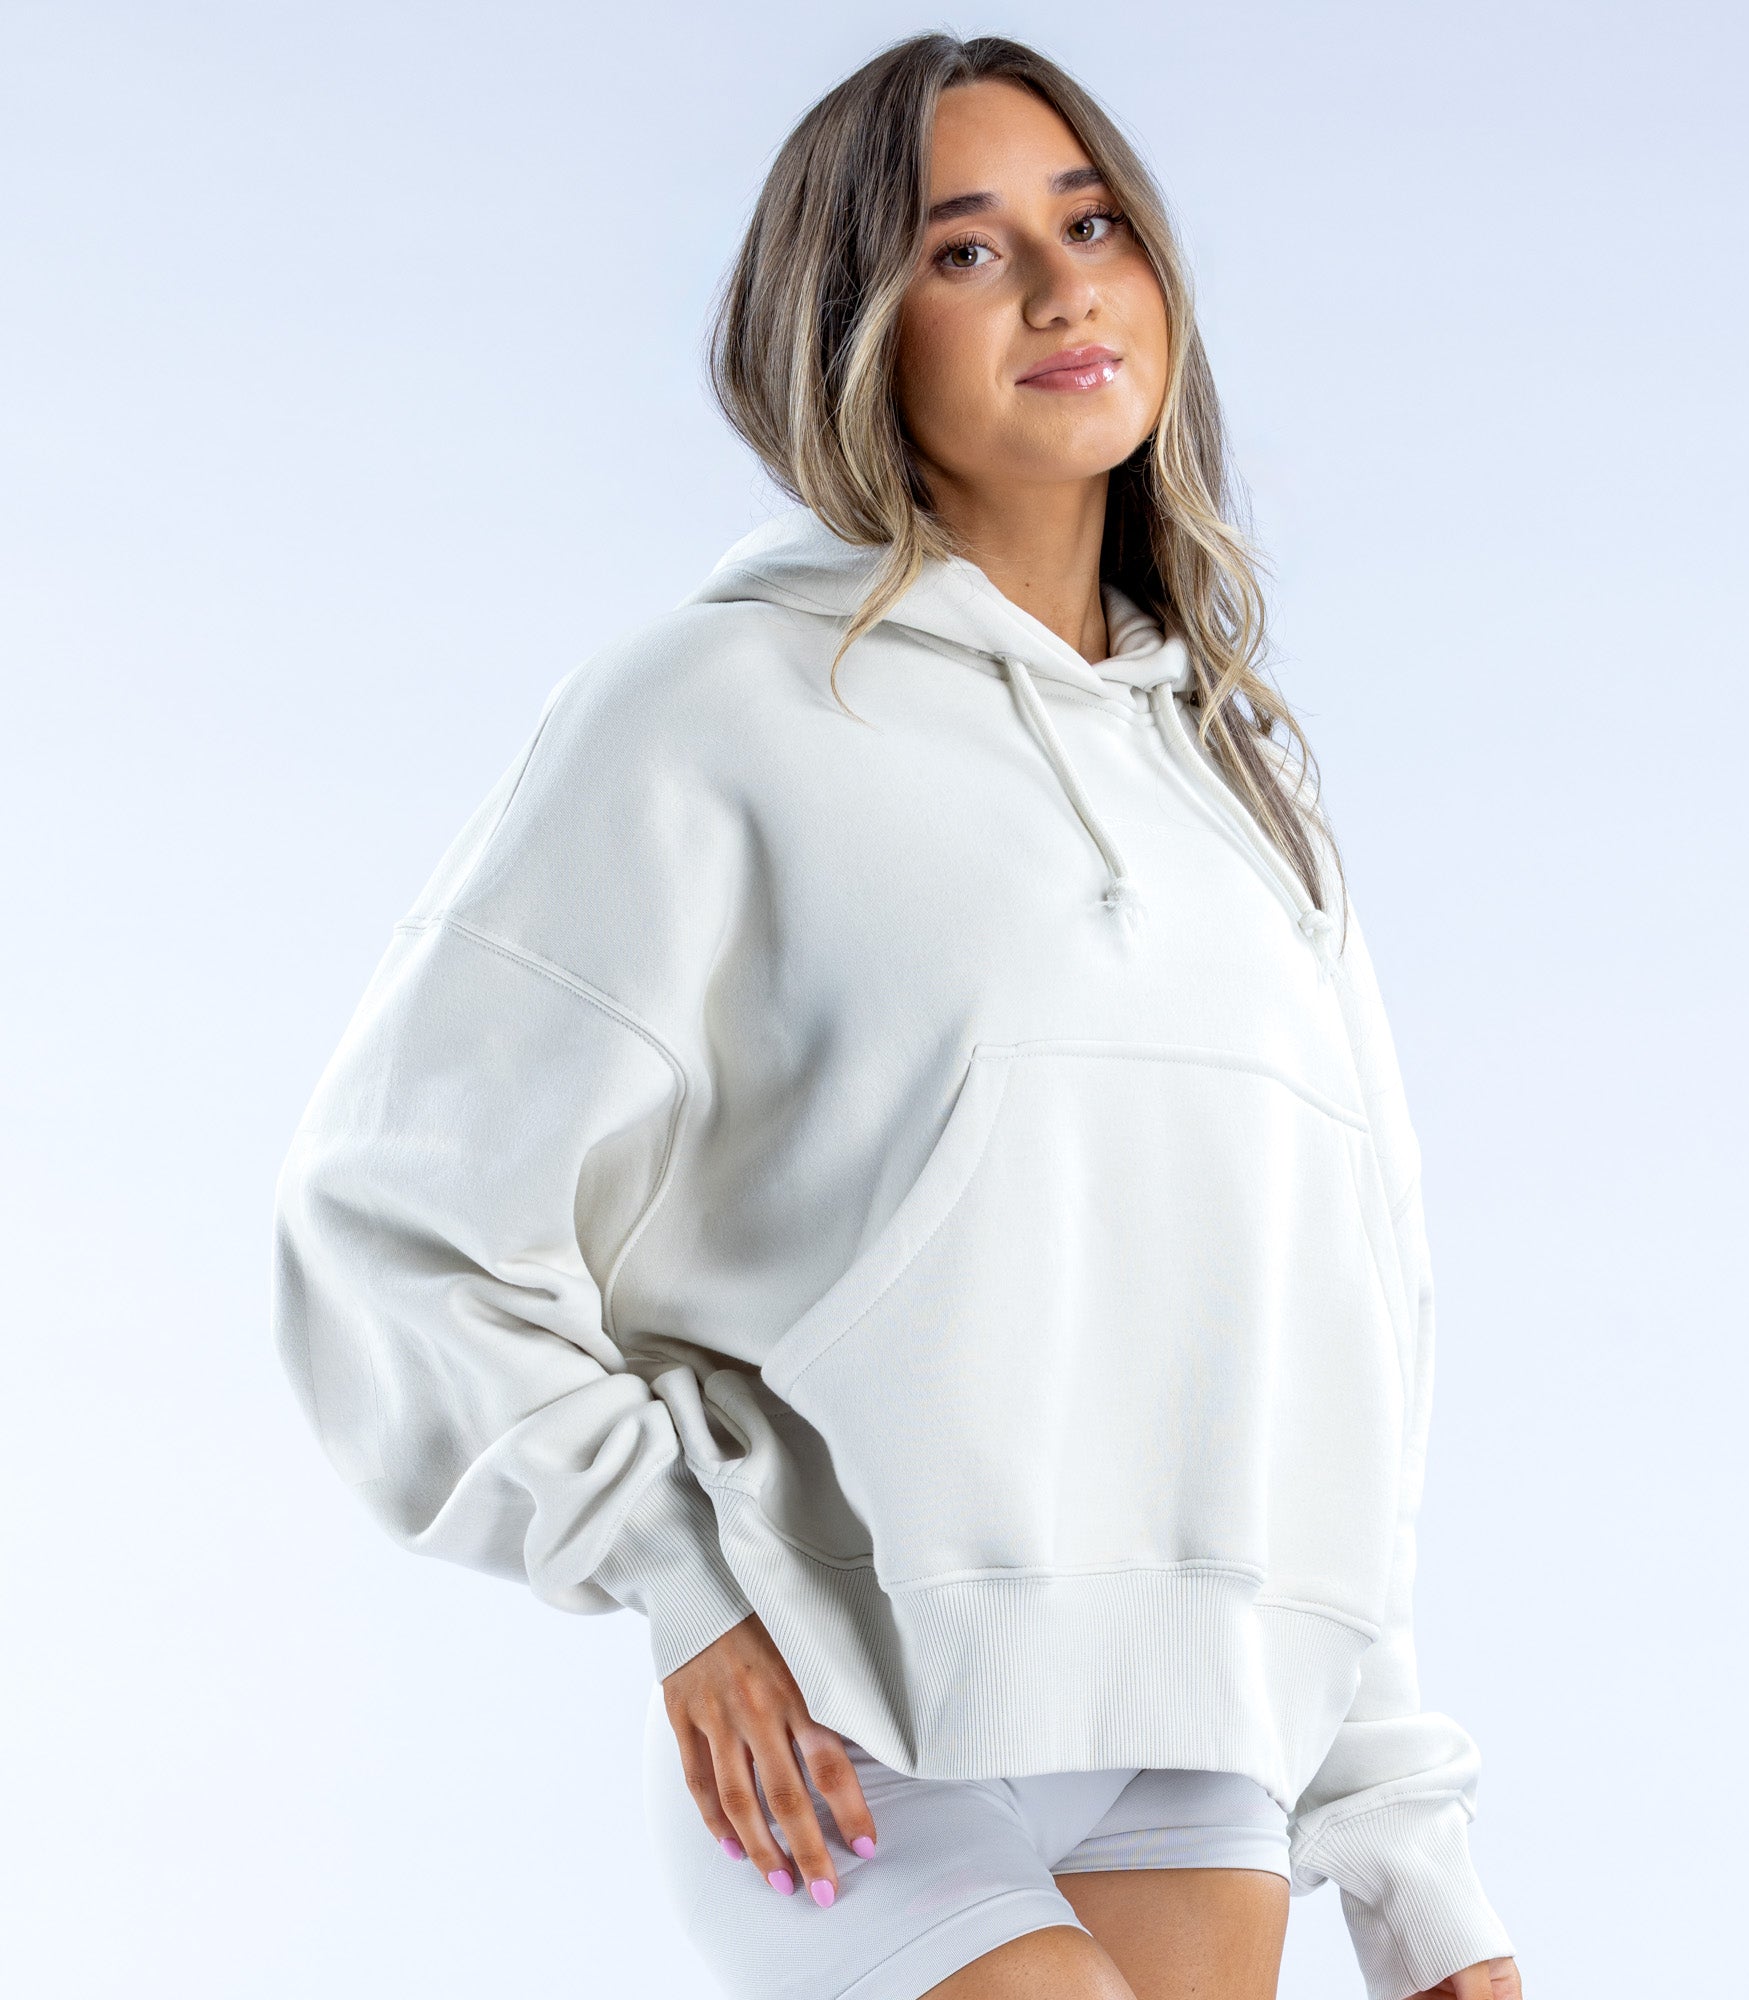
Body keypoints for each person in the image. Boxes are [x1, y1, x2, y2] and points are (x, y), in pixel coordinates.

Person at [271, 30, 1522, 2000]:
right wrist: (681, 1588)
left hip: (1199, 1744)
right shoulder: (706, 715)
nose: (1062, 290)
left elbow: (1338, 1354)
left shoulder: (1244, 793)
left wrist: (1416, 1877)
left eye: (1092, 225)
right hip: (843, 1728)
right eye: (966, 249)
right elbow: (393, 1216)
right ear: (849, 325)